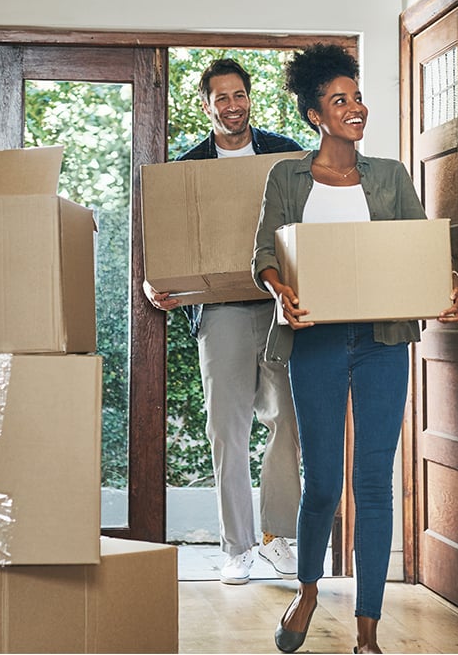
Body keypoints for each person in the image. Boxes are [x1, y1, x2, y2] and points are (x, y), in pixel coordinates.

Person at [252, 43, 458, 654]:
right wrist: (277, 291)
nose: (355, 108)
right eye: (339, 100)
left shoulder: (389, 177)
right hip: (314, 340)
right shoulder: (287, 177)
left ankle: (367, 630)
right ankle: (309, 590)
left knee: (373, 481)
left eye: (357, 98)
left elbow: (425, 250)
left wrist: (444, 285)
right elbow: (265, 253)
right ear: (315, 114)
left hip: (382, 342)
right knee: (320, 481)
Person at [143, 57, 303, 585]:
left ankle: (277, 535)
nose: (232, 106)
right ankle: (236, 547)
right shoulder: (187, 169)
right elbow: (162, 244)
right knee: (227, 431)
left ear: (249, 98)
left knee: (286, 422)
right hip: (221, 312)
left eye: (240, 96)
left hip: (280, 305)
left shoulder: (285, 155)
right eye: (221, 99)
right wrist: (155, 282)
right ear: (206, 105)